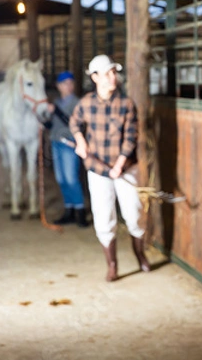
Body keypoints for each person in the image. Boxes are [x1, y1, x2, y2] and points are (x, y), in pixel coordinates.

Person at [69, 54, 150, 282]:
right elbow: (74, 122)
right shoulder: (86, 103)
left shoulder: (126, 104)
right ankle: (112, 265)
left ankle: (140, 254)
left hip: (125, 169)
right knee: (104, 217)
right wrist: (80, 140)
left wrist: (120, 165)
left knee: (133, 214)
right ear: (95, 77)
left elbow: (131, 138)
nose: (112, 77)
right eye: (107, 73)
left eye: (114, 72)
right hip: (97, 169)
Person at [46, 71, 89, 227]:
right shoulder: (57, 102)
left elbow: (71, 122)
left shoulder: (78, 103)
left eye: (71, 83)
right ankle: (68, 209)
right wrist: (43, 122)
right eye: (65, 83)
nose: (68, 86)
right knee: (61, 179)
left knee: (71, 178)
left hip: (69, 143)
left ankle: (80, 211)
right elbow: (54, 124)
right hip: (56, 142)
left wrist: (55, 111)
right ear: (58, 86)